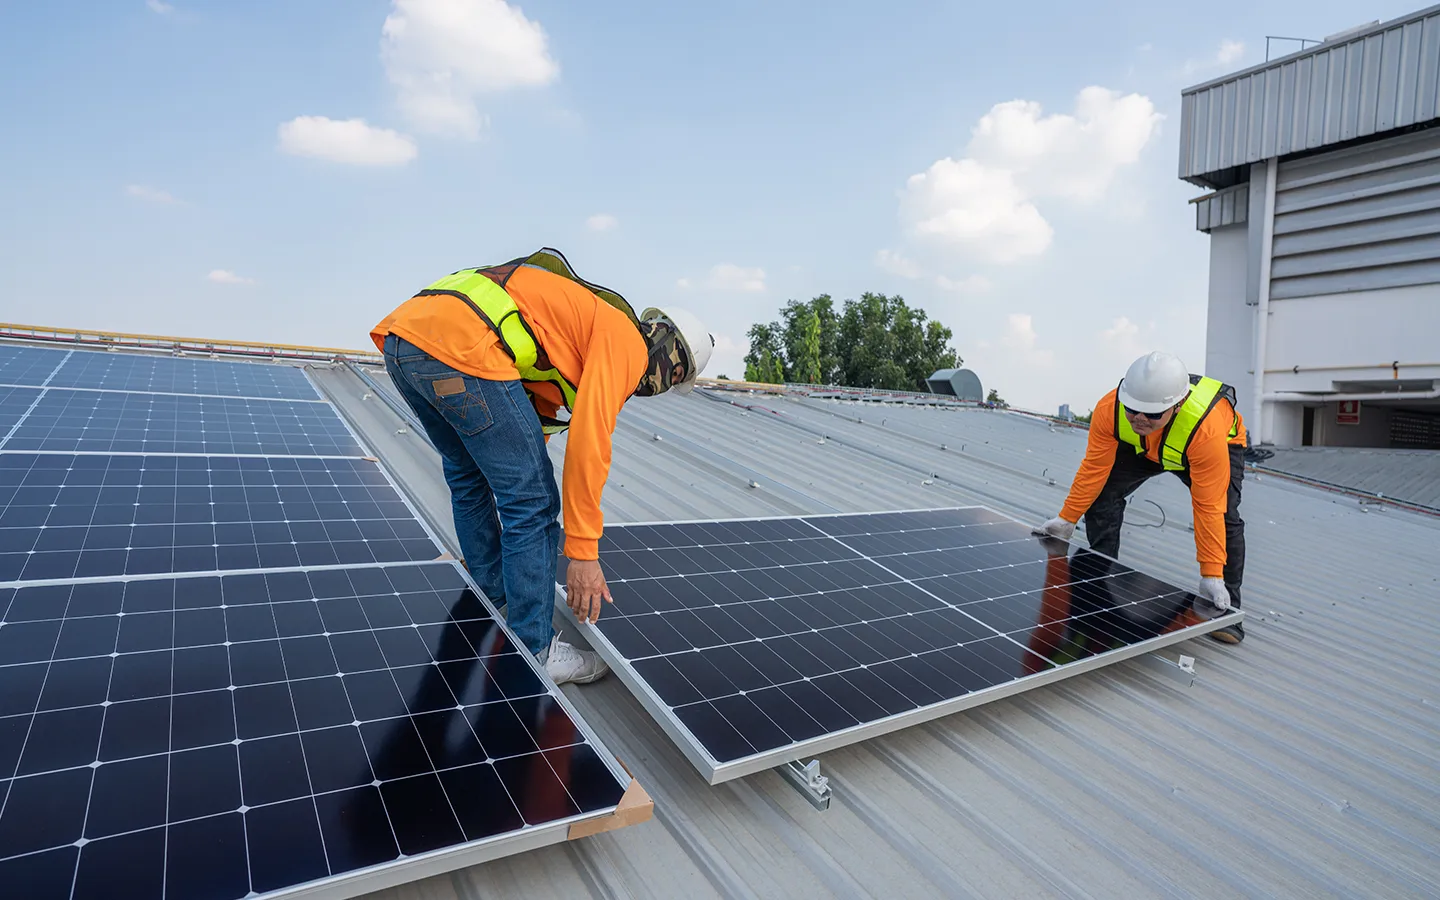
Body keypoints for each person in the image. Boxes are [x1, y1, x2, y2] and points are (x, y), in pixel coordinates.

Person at [371, 248, 715, 682]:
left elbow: (521, 416)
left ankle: (493, 598)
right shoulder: (627, 342)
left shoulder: (587, 327)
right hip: (464, 345)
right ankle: (535, 649)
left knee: (468, 478)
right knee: (532, 501)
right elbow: (590, 442)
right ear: (671, 358)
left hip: (408, 340)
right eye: (673, 379)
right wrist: (583, 553)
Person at [1033, 350, 1248, 644]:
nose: (1140, 419)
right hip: (1148, 448)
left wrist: (1211, 573)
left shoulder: (1205, 428)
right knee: (1104, 492)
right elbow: (1095, 468)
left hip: (1205, 446)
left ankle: (1226, 607)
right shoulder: (1110, 409)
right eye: (1132, 409)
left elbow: (1208, 506)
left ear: (1179, 404)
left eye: (1152, 413)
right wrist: (1067, 518)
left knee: (1225, 518)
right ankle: (1100, 573)